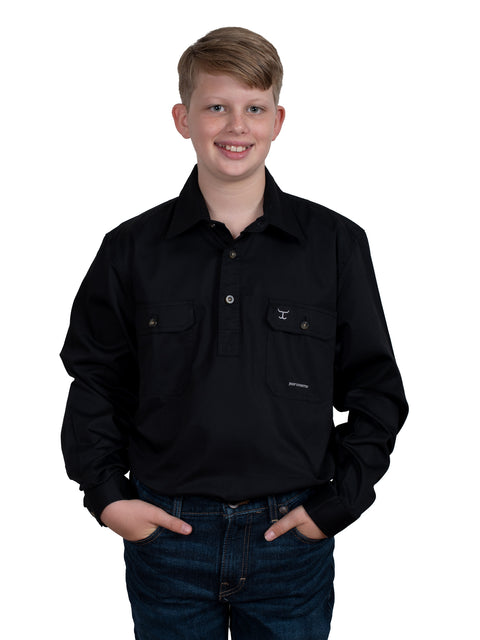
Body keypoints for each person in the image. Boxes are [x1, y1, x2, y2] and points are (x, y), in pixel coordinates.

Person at [60, 26, 408, 640]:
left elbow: (376, 388)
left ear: (278, 120)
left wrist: (338, 503)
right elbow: (95, 383)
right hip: (168, 537)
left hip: (290, 540)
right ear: (182, 119)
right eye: (216, 107)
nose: (236, 126)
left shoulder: (335, 245)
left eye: (255, 108)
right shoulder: (131, 249)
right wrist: (108, 497)